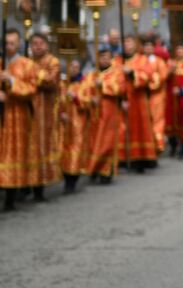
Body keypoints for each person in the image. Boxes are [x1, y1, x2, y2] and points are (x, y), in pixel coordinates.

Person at [0, 28, 39, 214]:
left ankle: (10, 196)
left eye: (13, 43)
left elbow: (32, 89)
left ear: (19, 43)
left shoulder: (28, 65)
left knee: (14, 154)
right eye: (6, 43)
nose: (9, 46)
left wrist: (12, 81)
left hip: (17, 116)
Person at [27, 32, 62, 202]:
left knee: (40, 147)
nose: (37, 46)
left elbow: (50, 80)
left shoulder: (53, 62)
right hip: (26, 109)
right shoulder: (26, 61)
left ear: (46, 45)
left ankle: (39, 187)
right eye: (34, 43)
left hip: (44, 112)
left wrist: (33, 72)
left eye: (41, 43)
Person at [88, 47, 129, 184]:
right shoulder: (92, 74)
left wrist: (103, 85)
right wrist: (90, 98)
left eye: (107, 57)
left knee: (107, 142)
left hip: (110, 114)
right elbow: (85, 89)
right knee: (94, 141)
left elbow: (120, 89)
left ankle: (106, 171)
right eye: (101, 57)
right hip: (94, 114)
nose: (104, 60)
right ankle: (94, 169)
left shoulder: (116, 73)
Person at [121, 35, 160, 171]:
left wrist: (132, 73)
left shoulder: (142, 60)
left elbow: (147, 76)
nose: (127, 45)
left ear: (135, 44)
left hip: (138, 99)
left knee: (141, 128)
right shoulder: (118, 60)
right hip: (123, 100)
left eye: (129, 42)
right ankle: (125, 158)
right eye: (125, 42)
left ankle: (143, 157)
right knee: (124, 129)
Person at [59, 57, 94, 193]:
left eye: (75, 67)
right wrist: (61, 113)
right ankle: (65, 177)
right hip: (64, 124)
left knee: (75, 151)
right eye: (71, 67)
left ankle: (72, 181)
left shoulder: (84, 84)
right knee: (63, 151)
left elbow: (87, 103)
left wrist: (75, 97)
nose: (73, 69)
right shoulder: (63, 84)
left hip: (78, 123)